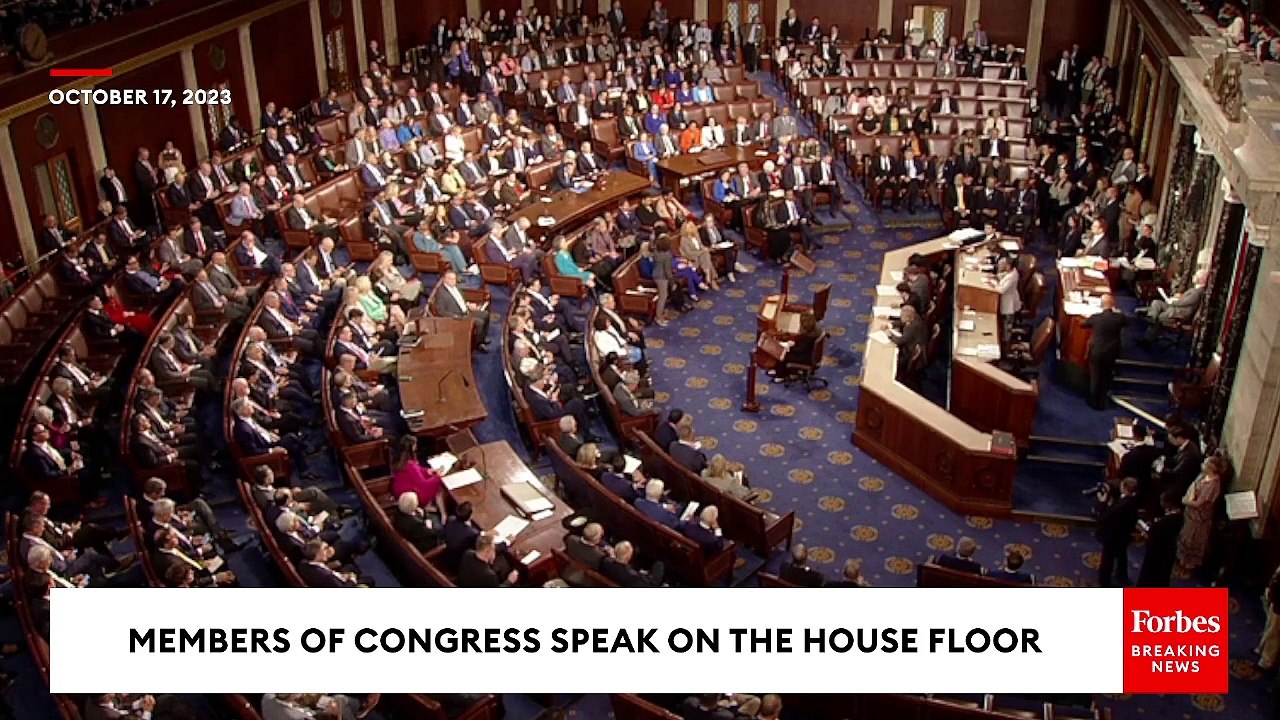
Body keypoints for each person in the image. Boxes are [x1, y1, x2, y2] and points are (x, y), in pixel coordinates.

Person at [1177, 456, 1226, 572]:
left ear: (1211, 467)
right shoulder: (1203, 476)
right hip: (1190, 514)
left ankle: (1188, 567)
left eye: (1205, 463)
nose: (1202, 465)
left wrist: (1184, 501)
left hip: (1199, 518)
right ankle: (1181, 562)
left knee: (1193, 540)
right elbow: (1193, 487)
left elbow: (1199, 503)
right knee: (1185, 537)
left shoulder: (1213, 484)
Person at [1080, 293, 1125, 409]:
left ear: (1101, 305)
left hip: (1097, 351)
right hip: (1112, 351)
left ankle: (1093, 402)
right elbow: (1126, 323)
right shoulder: (1119, 318)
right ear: (1113, 305)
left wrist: (1088, 316)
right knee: (1106, 376)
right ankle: (1102, 402)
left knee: (1095, 376)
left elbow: (1083, 324)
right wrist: (1117, 311)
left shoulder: (1096, 317)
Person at [1097, 477, 1141, 587]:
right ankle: (1121, 575)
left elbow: (1104, 518)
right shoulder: (1134, 500)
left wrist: (1102, 503)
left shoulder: (1122, 505)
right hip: (1124, 535)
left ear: (1124, 488)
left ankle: (1104, 581)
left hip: (1113, 535)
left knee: (1107, 559)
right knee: (1122, 555)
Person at [1141, 270, 1207, 343]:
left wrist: (1172, 301)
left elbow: (1184, 303)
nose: (1193, 276)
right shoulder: (1195, 289)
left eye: (1196, 275)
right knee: (1156, 302)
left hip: (1179, 312)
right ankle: (1151, 317)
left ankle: (1147, 338)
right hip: (1175, 307)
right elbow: (1185, 300)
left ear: (1201, 279)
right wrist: (1179, 297)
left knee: (1159, 316)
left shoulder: (1197, 292)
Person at [391, 436, 447, 518]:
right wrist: (438, 476)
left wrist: (429, 471)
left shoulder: (400, 459)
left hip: (401, 490)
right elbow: (424, 484)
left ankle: (431, 507)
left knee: (432, 479)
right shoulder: (410, 464)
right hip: (409, 494)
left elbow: (418, 470)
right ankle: (443, 514)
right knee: (438, 486)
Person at [1137, 490, 1184, 587]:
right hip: (1169, 549)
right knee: (1163, 575)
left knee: (1151, 575)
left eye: (1162, 501)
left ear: (1168, 503)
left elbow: (1152, 534)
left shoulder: (1164, 522)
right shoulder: (1180, 516)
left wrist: (1145, 531)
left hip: (1157, 551)